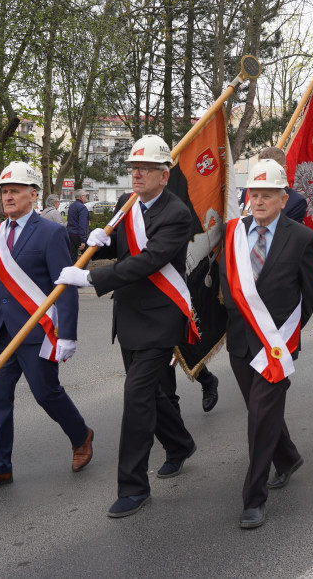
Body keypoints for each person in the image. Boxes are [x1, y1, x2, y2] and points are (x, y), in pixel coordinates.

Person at [56, 135, 197, 519]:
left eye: (145, 169)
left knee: (135, 398)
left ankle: (133, 487)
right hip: (130, 316)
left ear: (163, 176)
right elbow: (123, 246)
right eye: (134, 168)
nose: (136, 174)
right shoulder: (126, 203)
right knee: (148, 393)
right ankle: (180, 443)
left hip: (160, 317)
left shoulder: (177, 213)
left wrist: (92, 279)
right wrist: (99, 243)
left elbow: (150, 259)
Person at [0, 161, 93, 493]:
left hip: (36, 333)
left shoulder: (51, 233)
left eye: (15, 191)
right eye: (4, 191)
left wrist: (67, 334)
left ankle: (81, 436)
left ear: (32, 195)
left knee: (46, 393)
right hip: (0, 333)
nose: (7, 197)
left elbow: (64, 285)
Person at [218, 159, 313, 529]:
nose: (258, 201)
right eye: (253, 194)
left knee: (260, 417)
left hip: (276, 344)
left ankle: (254, 498)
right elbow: (224, 284)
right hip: (240, 343)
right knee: (260, 412)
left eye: (266, 195)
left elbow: (309, 296)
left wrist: (285, 339)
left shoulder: (302, 237)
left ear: (283, 197)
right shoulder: (234, 232)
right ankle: (288, 456)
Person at [256, 146, 308, 223]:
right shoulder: (246, 193)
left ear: (283, 169)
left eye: (269, 168)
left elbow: (286, 232)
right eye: (260, 168)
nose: (263, 173)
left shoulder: (296, 202)